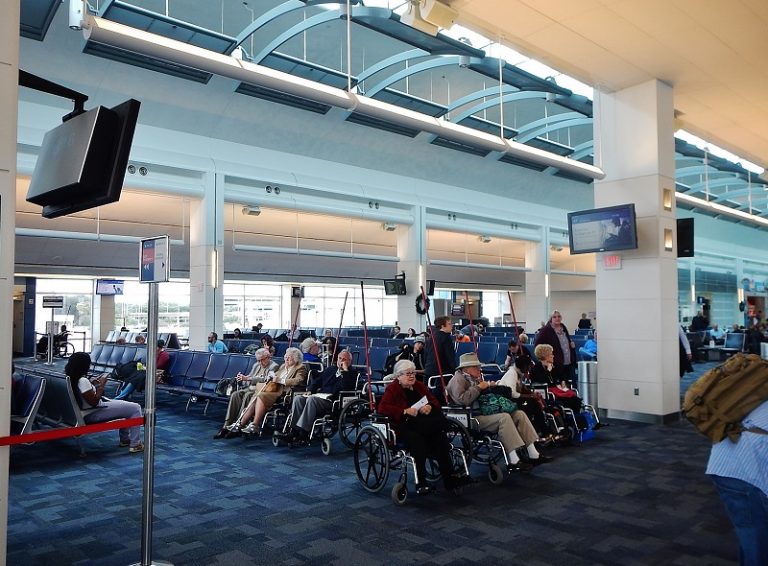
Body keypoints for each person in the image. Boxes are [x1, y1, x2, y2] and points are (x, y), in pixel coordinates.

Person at [378, 360, 471, 494]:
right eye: (407, 373)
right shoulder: (392, 389)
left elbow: (434, 401)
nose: (411, 376)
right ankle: (421, 482)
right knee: (418, 440)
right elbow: (382, 408)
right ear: (398, 376)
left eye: (413, 373)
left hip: (423, 423)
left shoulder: (419, 386)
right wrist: (404, 411)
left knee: (441, 439)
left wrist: (429, 406)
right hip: (403, 425)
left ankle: (449, 479)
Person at [446, 353, 549, 471]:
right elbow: (463, 400)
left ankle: (533, 453)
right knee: (504, 418)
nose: (479, 369)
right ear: (466, 369)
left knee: (519, 413)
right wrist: (479, 387)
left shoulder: (474, 378)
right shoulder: (457, 380)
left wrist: (489, 386)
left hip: (484, 413)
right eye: (476, 367)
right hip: (472, 417)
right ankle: (514, 460)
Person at [706, 400, 768, 565]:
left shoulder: (758, 381)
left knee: (751, 538)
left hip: (728, 458)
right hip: (744, 470)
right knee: (758, 547)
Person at [64, 352, 144, 453]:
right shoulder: (82, 381)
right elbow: (94, 402)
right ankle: (135, 444)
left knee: (124, 406)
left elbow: (83, 393)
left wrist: (91, 384)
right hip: (93, 412)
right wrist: (102, 385)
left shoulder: (70, 377)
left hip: (81, 412)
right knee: (135, 408)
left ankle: (125, 439)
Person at [276, 350, 360, 444]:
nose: (341, 361)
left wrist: (345, 371)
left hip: (333, 401)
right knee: (298, 399)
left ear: (349, 361)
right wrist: (310, 391)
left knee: (312, 400)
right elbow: (317, 381)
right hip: (320, 396)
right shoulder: (330, 369)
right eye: (340, 358)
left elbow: (347, 388)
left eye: (344, 359)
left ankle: (303, 433)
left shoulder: (352, 373)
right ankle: (293, 431)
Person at [226, 347, 307, 435]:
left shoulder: (300, 367)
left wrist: (280, 380)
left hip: (284, 393)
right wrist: (270, 377)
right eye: (285, 356)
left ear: (295, 358)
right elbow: (275, 376)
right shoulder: (284, 366)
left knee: (261, 395)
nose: (286, 359)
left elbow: (298, 380)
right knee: (256, 395)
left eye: (289, 357)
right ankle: (241, 424)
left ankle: (255, 424)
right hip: (274, 389)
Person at [214, 347, 279, 439]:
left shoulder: (274, 366)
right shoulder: (257, 365)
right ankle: (227, 424)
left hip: (260, 390)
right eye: (258, 360)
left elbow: (266, 379)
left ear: (268, 357)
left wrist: (249, 378)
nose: (260, 363)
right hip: (250, 387)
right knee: (235, 395)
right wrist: (243, 378)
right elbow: (250, 376)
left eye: (262, 360)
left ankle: (239, 424)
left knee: (247, 396)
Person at [530, 344, 583, 415]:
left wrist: (563, 381)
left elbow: (562, 375)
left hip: (556, 390)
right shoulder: (536, 369)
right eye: (551, 354)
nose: (553, 356)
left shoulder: (554, 366)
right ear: (545, 356)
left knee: (575, 398)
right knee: (573, 401)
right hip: (547, 393)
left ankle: (577, 419)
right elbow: (542, 381)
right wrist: (548, 371)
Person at [534, 310, 576, 383]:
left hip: (568, 362)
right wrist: (547, 357)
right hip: (555, 364)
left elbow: (567, 340)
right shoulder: (546, 330)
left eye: (559, 316)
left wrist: (571, 344)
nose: (557, 318)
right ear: (551, 319)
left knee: (568, 385)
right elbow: (538, 346)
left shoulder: (563, 327)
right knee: (559, 386)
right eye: (554, 317)